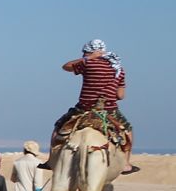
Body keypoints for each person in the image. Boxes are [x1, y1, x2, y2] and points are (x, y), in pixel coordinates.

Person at [49, 39, 135, 172]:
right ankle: (126, 164)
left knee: (58, 127)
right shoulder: (119, 69)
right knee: (128, 130)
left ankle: (51, 160)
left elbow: (66, 67)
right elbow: (120, 96)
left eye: (85, 53)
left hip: (84, 108)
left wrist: (87, 59)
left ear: (90, 52)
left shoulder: (88, 63)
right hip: (109, 110)